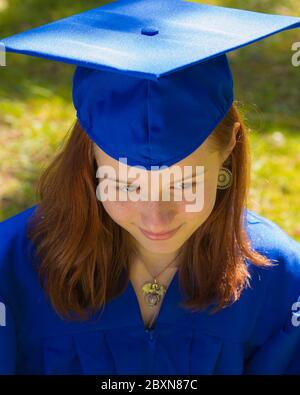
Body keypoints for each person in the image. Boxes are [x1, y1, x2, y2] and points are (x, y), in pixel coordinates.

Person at [0, 0, 300, 375]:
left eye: (184, 184)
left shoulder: (283, 281)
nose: (156, 216)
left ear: (227, 152)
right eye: (126, 185)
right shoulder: (9, 272)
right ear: (90, 162)